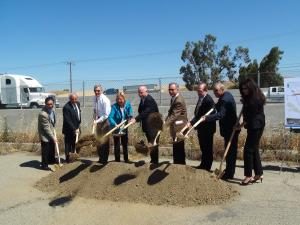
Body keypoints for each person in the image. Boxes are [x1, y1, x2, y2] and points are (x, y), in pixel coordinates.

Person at [203, 82, 239, 180]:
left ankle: (229, 173)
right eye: (213, 90)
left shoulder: (225, 99)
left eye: (216, 90)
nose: (214, 92)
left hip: (231, 129)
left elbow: (220, 115)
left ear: (222, 89)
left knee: (230, 151)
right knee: (230, 150)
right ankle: (228, 170)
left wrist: (207, 118)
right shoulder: (225, 96)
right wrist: (211, 108)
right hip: (229, 128)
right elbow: (216, 106)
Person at [239, 78, 266, 185]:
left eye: (246, 88)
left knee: (248, 150)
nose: (244, 90)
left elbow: (249, 117)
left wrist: (239, 126)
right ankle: (259, 173)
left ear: (251, 87)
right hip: (258, 124)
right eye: (242, 89)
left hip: (255, 125)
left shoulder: (254, 99)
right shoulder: (252, 96)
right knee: (254, 148)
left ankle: (248, 176)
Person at [187, 82, 216, 171]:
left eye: (200, 91)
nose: (198, 93)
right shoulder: (201, 99)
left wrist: (205, 118)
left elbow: (212, 114)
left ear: (206, 90)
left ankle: (207, 167)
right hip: (201, 128)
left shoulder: (208, 100)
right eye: (197, 91)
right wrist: (191, 122)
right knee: (203, 147)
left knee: (207, 148)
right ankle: (203, 164)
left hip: (207, 129)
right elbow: (198, 114)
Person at [130, 85, 159, 164]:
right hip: (148, 126)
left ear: (146, 91)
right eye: (139, 92)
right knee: (150, 143)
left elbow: (146, 112)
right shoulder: (143, 100)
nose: (140, 94)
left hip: (153, 127)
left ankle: (155, 162)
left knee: (153, 144)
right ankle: (153, 160)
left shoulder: (149, 100)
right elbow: (140, 111)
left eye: (142, 92)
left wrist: (136, 119)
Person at [165, 82, 188, 165]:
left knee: (179, 148)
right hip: (176, 126)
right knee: (176, 146)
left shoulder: (178, 100)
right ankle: (176, 164)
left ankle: (180, 166)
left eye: (172, 89)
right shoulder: (174, 98)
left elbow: (174, 115)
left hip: (180, 127)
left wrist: (164, 125)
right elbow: (171, 113)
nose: (170, 91)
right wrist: (165, 121)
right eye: (169, 89)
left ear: (177, 89)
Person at [108, 91, 133, 162]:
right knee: (117, 144)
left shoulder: (127, 104)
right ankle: (117, 160)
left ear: (124, 99)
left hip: (124, 126)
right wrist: (115, 124)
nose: (120, 101)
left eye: (121, 99)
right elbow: (110, 117)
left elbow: (130, 112)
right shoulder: (114, 107)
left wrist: (130, 117)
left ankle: (126, 159)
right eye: (118, 99)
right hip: (116, 127)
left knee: (125, 143)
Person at [93, 84, 111, 164]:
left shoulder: (105, 100)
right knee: (98, 140)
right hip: (98, 121)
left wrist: (97, 121)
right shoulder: (95, 98)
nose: (97, 92)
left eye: (98, 91)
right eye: (95, 91)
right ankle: (100, 157)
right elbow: (95, 110)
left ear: (102, 91)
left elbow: (106, 114)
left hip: (104, 122)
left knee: (104, 141)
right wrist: (94, 118)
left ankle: (105, 160)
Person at [38, 96, 57, 170]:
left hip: (51, 131)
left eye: (51, 104)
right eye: (48, 104)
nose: (50, 105)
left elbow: (53, 120)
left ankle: (51, 160)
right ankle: (44, 165)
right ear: (45, 104)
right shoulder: (43, 114)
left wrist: (53, 130)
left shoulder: (53, 109)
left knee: (52, 147)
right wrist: (53, 138)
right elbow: (46, 128)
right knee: (45, 150)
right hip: (45, 134)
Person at [62, 93, 81, 163]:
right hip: (69, 129)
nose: (74, 100)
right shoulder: (66, 107)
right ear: (70, 99)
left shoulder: (78, 104)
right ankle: (68, 159)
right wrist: (74, 128)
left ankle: (73, 158)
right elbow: (67, 120)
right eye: (72, 99)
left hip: (77, 127)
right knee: (68, 144)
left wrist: (78, 126)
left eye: (75, 99)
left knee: (74, 143)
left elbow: (78, 114)